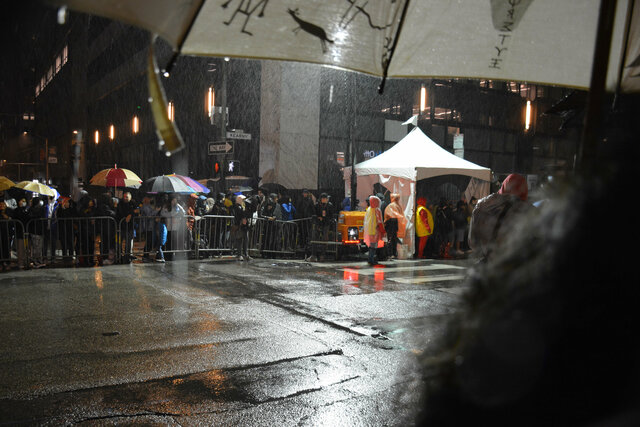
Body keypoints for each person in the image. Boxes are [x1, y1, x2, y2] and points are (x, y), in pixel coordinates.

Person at [468, 173, 533, 261]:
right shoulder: (529, 211)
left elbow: (473, 243)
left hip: (489, 267)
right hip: (516, 268)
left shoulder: (481, 205)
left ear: (504, 185)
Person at [116, 191, 139, 263]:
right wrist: (131, 213)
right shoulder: (120, 203)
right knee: (118, 242)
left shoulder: (133, 203)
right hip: (120, 227)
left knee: (128, 242)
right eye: (124, 197)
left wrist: (131, 214)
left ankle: (127, 256)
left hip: (130, 227)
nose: (125, 198)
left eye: (127, 197)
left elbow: (137, 212)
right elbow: (121, 213)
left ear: (130, 197)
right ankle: (119, 255)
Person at [161, 195, 185, 261]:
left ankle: (172, 254)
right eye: (173, 200)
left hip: (176, 227)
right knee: (168, 241)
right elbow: (163, 213)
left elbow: (183, 212)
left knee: (174, 241)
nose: (174, 201)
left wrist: (178, 207)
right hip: (168, 227)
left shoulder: (177, 206)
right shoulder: (166, 207)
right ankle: (167, 255)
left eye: (175, 200)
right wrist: (171, 214)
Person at [364, 195, 385, 265]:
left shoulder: (369, 209)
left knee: (371, 245)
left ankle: (370, 258)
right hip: (375, 230)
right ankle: (371, 259)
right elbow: (379, 221)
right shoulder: (377, 210)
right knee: (373, 246)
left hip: (369, 230)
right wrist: (382, 230)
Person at [384, 193, 406, 259]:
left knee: (390, 239)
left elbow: (389, 215)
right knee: (394, 240)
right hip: (396, 224)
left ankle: (390, 253)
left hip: (391, 224)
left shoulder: (391, 205)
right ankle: (394, 253)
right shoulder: (398, 205)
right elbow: (400, 215)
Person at [11, 197, 30, 269]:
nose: (23, 202)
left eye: (24, 201)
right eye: (22, 201)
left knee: (27, 248)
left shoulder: (27, 210)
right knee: (20, 248)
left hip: (27, 232)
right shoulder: (17, 210)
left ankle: (27, 261)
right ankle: (20, 263)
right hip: (19, 232)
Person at [232, 194, 251, 261]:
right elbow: (239, 215)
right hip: (239, 225)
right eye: (242, 200)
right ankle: (239, 254)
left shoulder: (244, 207)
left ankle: (246, 254)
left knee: (246, 240)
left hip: (244, 226)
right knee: (239, 239)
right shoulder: (237, 207)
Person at [140, 196, 157, 261]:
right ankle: (145, 256)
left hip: (150, 226)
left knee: (150, 241)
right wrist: (156, 211)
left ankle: (146, 255)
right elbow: (149, 215)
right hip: (147, 227)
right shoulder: (145, 206)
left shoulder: (148, 206)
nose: (150, 199)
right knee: (149, 241)